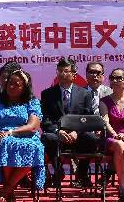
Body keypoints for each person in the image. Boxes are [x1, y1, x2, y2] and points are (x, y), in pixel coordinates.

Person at [0, 69, 45, 202]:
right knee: (6, 143)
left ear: (24, 88)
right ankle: (9, 191)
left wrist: (11, 132)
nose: (11, 87)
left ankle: (6, 190)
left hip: (26, 136)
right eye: (10, 83)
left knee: (33, 147)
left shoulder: (32, 102)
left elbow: (33, 126)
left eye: (16, 84)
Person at [40, 57, 97, 187]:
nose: (62, 74)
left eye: (65, 71)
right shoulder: (47, 94)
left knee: (92, 138)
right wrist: (58, 131)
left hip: (77, 135)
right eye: (59, 71)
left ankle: (82, 172)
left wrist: (76, 132)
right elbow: (45, 119)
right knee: (47, 137)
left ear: (74, 74)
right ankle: (57, 170)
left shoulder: (85, 94)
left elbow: (88, 118)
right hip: (58, 135)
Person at [100, 68, 124, 191]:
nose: (115, 81)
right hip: (111, 137)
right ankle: (122, 185)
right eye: (112, 78)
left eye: (119, 78)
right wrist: (115, 134)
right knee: (119, 144)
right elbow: (105, 121)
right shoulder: (104, 101)